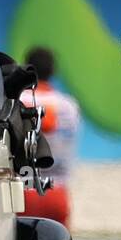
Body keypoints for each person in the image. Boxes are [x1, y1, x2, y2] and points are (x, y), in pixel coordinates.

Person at [20, 47, 80, 227]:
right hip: (57, 191)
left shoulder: (17, 101)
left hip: (22, 191)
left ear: (26, 69)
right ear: (54, 71)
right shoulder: (69, 105)